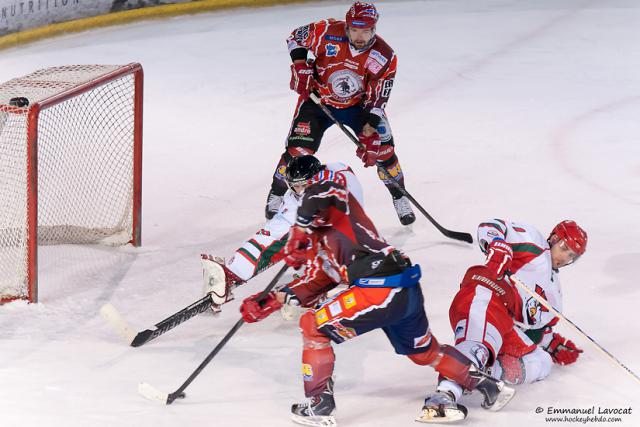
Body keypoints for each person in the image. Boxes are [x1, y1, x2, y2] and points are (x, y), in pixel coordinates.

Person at [240, 176, 515, 426]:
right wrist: (270, 299)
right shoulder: (319, 242)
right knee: (424, 353)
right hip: (403, 290)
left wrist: (300, 228)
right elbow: (316, 282)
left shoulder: (341, 206)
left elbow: (326, 191)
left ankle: (319, 404)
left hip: (381, 288)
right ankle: (489, 386)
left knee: (312, 326)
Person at [265, 1, 416, 226]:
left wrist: (369, 129)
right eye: (354, 30)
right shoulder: (326, 31)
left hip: (358, 107)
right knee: (297, 150)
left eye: (365, 30)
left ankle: (399, 195)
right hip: (318, 101)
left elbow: (377, 99)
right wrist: (300, 65)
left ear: (374, 29)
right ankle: (276, 192)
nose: (359, 36)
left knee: (383, 151)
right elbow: (295, 37)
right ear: (346, 26)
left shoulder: (384, 56)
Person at [420, 219, 587, 422]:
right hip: (486, 294)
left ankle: (485, 372)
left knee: (541, 362)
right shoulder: (534, 243)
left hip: (506, 322)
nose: (564, 257)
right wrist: (498, 245)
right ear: (554, 238)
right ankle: (442, 398)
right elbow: (490, 226)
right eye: (564, 248)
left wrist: (552, 343)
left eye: (572, 256)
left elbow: (537, 328)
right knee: (477, 348)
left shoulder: (555, 293)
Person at [202, 155, 363, 312]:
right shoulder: (295, 202)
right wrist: (234, 270)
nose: (298, 190)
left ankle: (317, 285)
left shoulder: (340, 173)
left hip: (353, 242)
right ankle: (235, 271)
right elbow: (271, 234)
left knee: (347, 269)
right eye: (294, 186)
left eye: (302, 185)